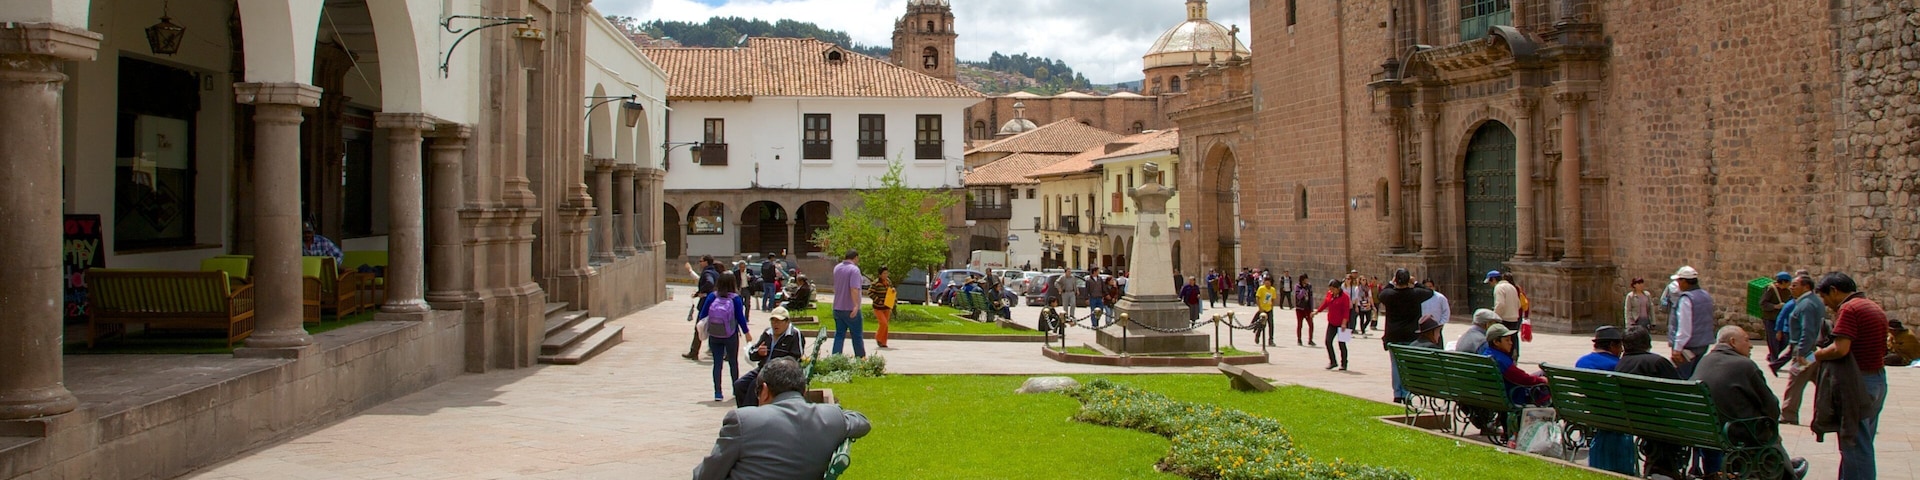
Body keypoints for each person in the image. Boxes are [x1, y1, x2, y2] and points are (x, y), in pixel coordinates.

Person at [693, 357, 872, 480]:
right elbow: (861, 421)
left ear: (763, 390)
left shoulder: (743, 420)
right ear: (802, 391)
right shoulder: (831, 418)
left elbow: (705, 476)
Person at [1690, 325, 1809, 479]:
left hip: (1704, 431)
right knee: (1768, 430)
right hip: (1735, 434)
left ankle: (1786, 469)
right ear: (1732, 342)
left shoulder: (1704, 361)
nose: (1751, 345)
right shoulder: (1744, 365)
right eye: (1746, 340)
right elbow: (1771, 407)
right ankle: (1788, 474)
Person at [1811, 272, 1888, 480]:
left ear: (1834, 291)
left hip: (1858, 382)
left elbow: (1841, 348)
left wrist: (1818, 354)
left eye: (1825, 298)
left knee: (1854, 444)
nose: (1826, 304)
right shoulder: (1871, 306)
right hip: (1877, 379)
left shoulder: (1849, 308)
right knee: (1862, 441)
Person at [1614, 326, 1687, 478]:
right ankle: (1665, 468)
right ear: (1648, 343)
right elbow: (1680, 392)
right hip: (1659, 421)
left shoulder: (1621, 364)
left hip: (1633, 419)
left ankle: (1659, 467)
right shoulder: (1657, 362)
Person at [1576, 326, 1635, 475]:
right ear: (1611, 345)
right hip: (1616, 416)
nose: (1621, 350)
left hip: (1592, 412)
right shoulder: (1616, 365)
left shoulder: (1581, 362)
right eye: (1619, 346)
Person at [1377, 268, 1435, 402]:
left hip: (1394, 335)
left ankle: (1398, 394)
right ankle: (1407, 393)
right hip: (1411, 335)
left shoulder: (1389, 295)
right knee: (1409, 365)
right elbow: (1430, 292)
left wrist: (1391, 283)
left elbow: (1381, 294)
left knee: (1396, 365)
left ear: (1396, 280)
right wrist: (1415, 283)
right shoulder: (1415, 294)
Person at [734, 307, 805, 407]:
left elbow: (796, 357)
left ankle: (751, 416)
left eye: (779, 321)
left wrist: (779, 364)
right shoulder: (768, 333)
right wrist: (758, 353)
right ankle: (743, 411)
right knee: (739, 385)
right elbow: (752, 353)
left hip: (780, 373)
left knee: (754, 386)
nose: (775, 324)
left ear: (787, 322)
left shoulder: (794, 334)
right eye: (773, 320)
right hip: (763, 368)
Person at [698, 274, 752, 402]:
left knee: (717, 363)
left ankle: (718, 392)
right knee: (733, 362)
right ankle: (735, 389)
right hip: (731, 335)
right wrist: (746, 332)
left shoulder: (712, 296)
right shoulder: (735, 298)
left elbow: (702, 314)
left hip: (715, 334)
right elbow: (740, 318)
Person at [1780, 275, 1824, 425]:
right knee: (1822, 383)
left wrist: (1801, 352)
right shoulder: (1811, 302)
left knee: (1795, 381)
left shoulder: (1806, 305)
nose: (1791, 288)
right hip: (1811, 351)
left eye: (1795, 285)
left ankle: (1788, 413)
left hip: (1805, 350)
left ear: (1806, 287)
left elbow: (1808, 330)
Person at [1482, 324, 1548, 406]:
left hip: (1493, 395)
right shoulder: (1500, 360)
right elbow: (1522, 379)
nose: (1511, 343)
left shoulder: (1486, 354)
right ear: (1496, 342)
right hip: (1514, 396)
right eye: (1507, 340)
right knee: (1547, 381)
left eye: (1510, 340)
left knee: (1542, 373)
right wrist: (1542, 380)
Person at [1670, 266, 1716, 378]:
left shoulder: (1686, 299)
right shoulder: (1706, 296)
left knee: (1683, 377)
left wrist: (1677, 348)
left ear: (1685, 281)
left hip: (1688, 347)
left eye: (1679, 280)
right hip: (1703, 344)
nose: (1678, 283)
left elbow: (1684, 327)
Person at [685, 255, 724, 360]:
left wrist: (701, 292)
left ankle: (694, 352)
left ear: (706, 262)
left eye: (700, 261)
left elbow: (709, 283)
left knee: (699, 327)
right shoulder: (716, 273)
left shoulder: (707, 273)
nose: (699, 263)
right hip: (716, 304)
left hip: (707, 305)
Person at [830, 250, 867, 358]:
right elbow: (854, 288)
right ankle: (861, 359)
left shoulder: (837, 268)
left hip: (838, 306)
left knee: (839, 335)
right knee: (857, 335)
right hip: (850, 308)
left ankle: (835, 358)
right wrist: (856, 305)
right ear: (855, 257)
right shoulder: (854, 270)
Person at [1313, 279, 1352, 370]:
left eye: (1333, 289)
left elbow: (1346, 311)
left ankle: (1344, 363)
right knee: (1328, 341)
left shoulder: (1345, 297)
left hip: (1344, 324)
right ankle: (1333, 361)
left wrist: (1344, 323)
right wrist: (1317, 312)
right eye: (1330, 289)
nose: (1331, 291)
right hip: (1332, 323)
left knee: (1342, 344)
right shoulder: (1329, 294)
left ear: (1338, 288)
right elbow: (1325, 303)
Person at [1761, 272, 1794, 364]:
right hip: (1770, 318)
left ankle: (1772, 355)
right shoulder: (1770, 289)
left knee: (1785, 340)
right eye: (1788, 283)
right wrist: (1775, 306)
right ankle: (1774, 360)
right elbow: (1763, 303)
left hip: (1782, 319)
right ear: (1783, 282)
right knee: (1773, 340)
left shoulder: (1788, 291)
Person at [867, 267, 895, 349]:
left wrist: (893, 290)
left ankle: (883, 342)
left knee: (886, 325)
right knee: (883, 323)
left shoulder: (888, 281)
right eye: (884, 273)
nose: (886, 275)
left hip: (886, 306)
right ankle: (878, 337)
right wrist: (877, 300)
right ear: (880, 274)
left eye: (887, 273)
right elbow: (870, 292)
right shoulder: (875, 283)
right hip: (878, 307)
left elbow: (890, 290)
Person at [1293, 274, 1315, 346]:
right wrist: (1303, 289)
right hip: (1300, 308)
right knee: (1300, 324)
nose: (1307, 280)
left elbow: (1311, 297)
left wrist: (1312, 309)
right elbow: (1299, 296)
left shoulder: (1309, 286)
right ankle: (1299, 339)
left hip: (1307, 308)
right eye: (1305, 279)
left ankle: (1310, 340)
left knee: (1311, 324)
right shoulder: (1297, 286)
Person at [1255, 277, 1278, 346]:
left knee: (1271, 324)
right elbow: (1257, 298)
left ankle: (1271, 339)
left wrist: (1272, 307)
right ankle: (1258, 335)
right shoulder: (1261, 288)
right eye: (1266, 282)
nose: (1267, 283)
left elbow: (1273, 299)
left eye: (1269, 282)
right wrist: (1260, 308)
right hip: (1263, 309)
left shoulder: (1272, 289)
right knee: (1262, 325)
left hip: (1269, 309)